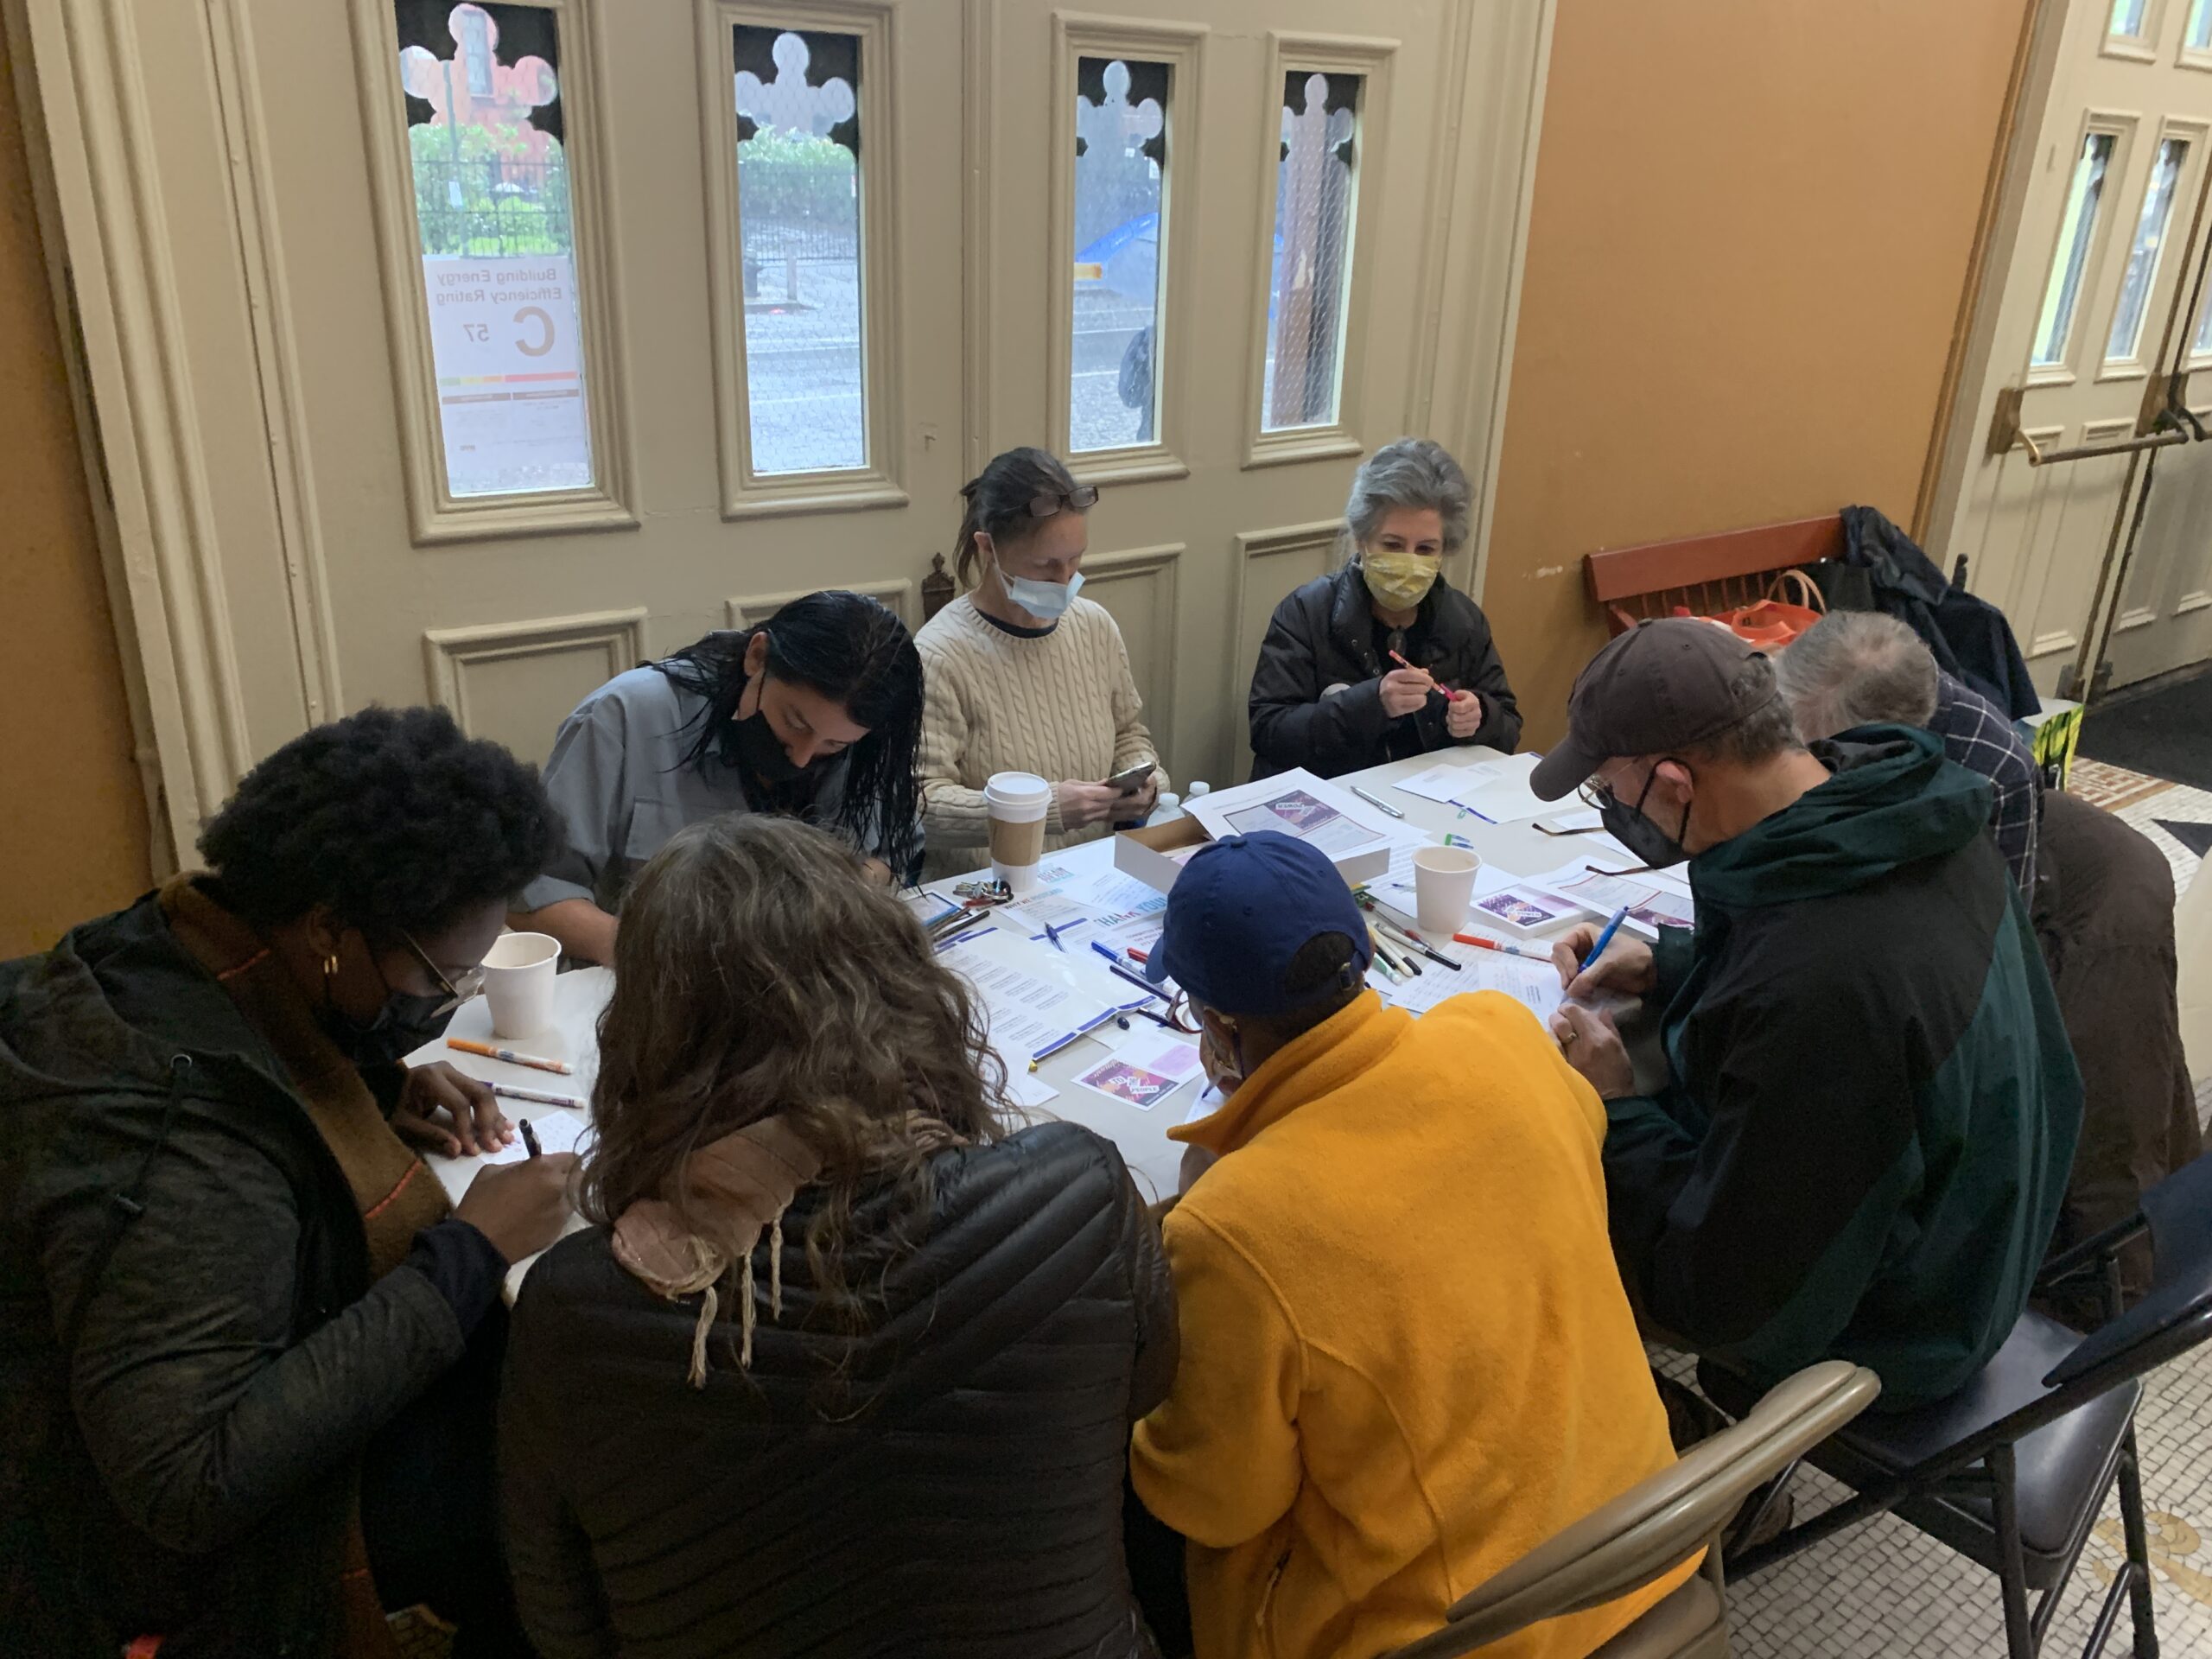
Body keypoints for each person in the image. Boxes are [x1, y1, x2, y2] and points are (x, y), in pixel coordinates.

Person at [499, 814, 1177, 1658]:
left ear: (644, 1041)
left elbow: (561, 1621)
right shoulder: (1076, 1193)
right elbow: (1142, 1397)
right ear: (896, 987)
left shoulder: (574, 1306)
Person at [0, 706, 578, 1656]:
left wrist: (360, 1081)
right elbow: (188, 1482)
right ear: (328, 934)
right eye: (443, 976)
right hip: (129, 1555)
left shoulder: (171, 938)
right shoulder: (186, 1148)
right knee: (532, 1439)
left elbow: (273, 1070)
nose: (442, 1003)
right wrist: (469, 1254)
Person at [1127, 831, 1691, 1659]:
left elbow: (1218, 1505)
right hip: (1645, 1544)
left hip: (1464, 1633)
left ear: (1218, 1026)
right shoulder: (1499, 1030)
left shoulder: (1230, 1224)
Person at [1532, 620, 2082, 1409]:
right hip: (1981, 1233)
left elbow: (1723, 1294)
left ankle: (1653, 1464)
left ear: (1677, 782)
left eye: (1613, 790)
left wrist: (1614, 1105)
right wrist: (1673, 965)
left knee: (1538, 1196)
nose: (1618, 810)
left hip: (1909, 1325)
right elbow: (1812, 950)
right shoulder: (1906, 821)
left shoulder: (1822, 985)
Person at [515, 589, 925, 963]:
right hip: (645, 989)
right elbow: (531, 895)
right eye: (794, 722)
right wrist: (661, 960)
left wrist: (841, 898)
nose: (802, 759)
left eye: (833, 746)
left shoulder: (864, 742)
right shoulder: (625, 717)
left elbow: (890, 849)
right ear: (758, 657)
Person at [915, 446, 1167, 880]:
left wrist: (1145, 783)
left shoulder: (1094, 627)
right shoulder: (939, 656)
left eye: (1076, 559)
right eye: (1046, 565)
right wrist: (1042, 809)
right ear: (987, 548)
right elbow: (919, 805)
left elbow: (1128, 732)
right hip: (986, 892)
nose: (1066, 580)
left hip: (1091, 875)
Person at [1248, 438, 1521, 779]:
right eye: (1392, 545)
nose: (1409, 560)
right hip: (1328, 800)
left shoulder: (1463, 621)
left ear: (1444, 551)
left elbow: (1509, 727)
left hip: (1426, 804)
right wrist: (1370, 705)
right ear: (1362, 540)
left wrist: (1481, 717)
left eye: (1425, 549)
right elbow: (1269, 731)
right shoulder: (1305, 612)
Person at [1776, 610, 2040, 895]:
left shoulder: (1996, 772)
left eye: (1824, 750)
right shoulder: (1802, 691)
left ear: (1893, 742)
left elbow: (2000, 923)